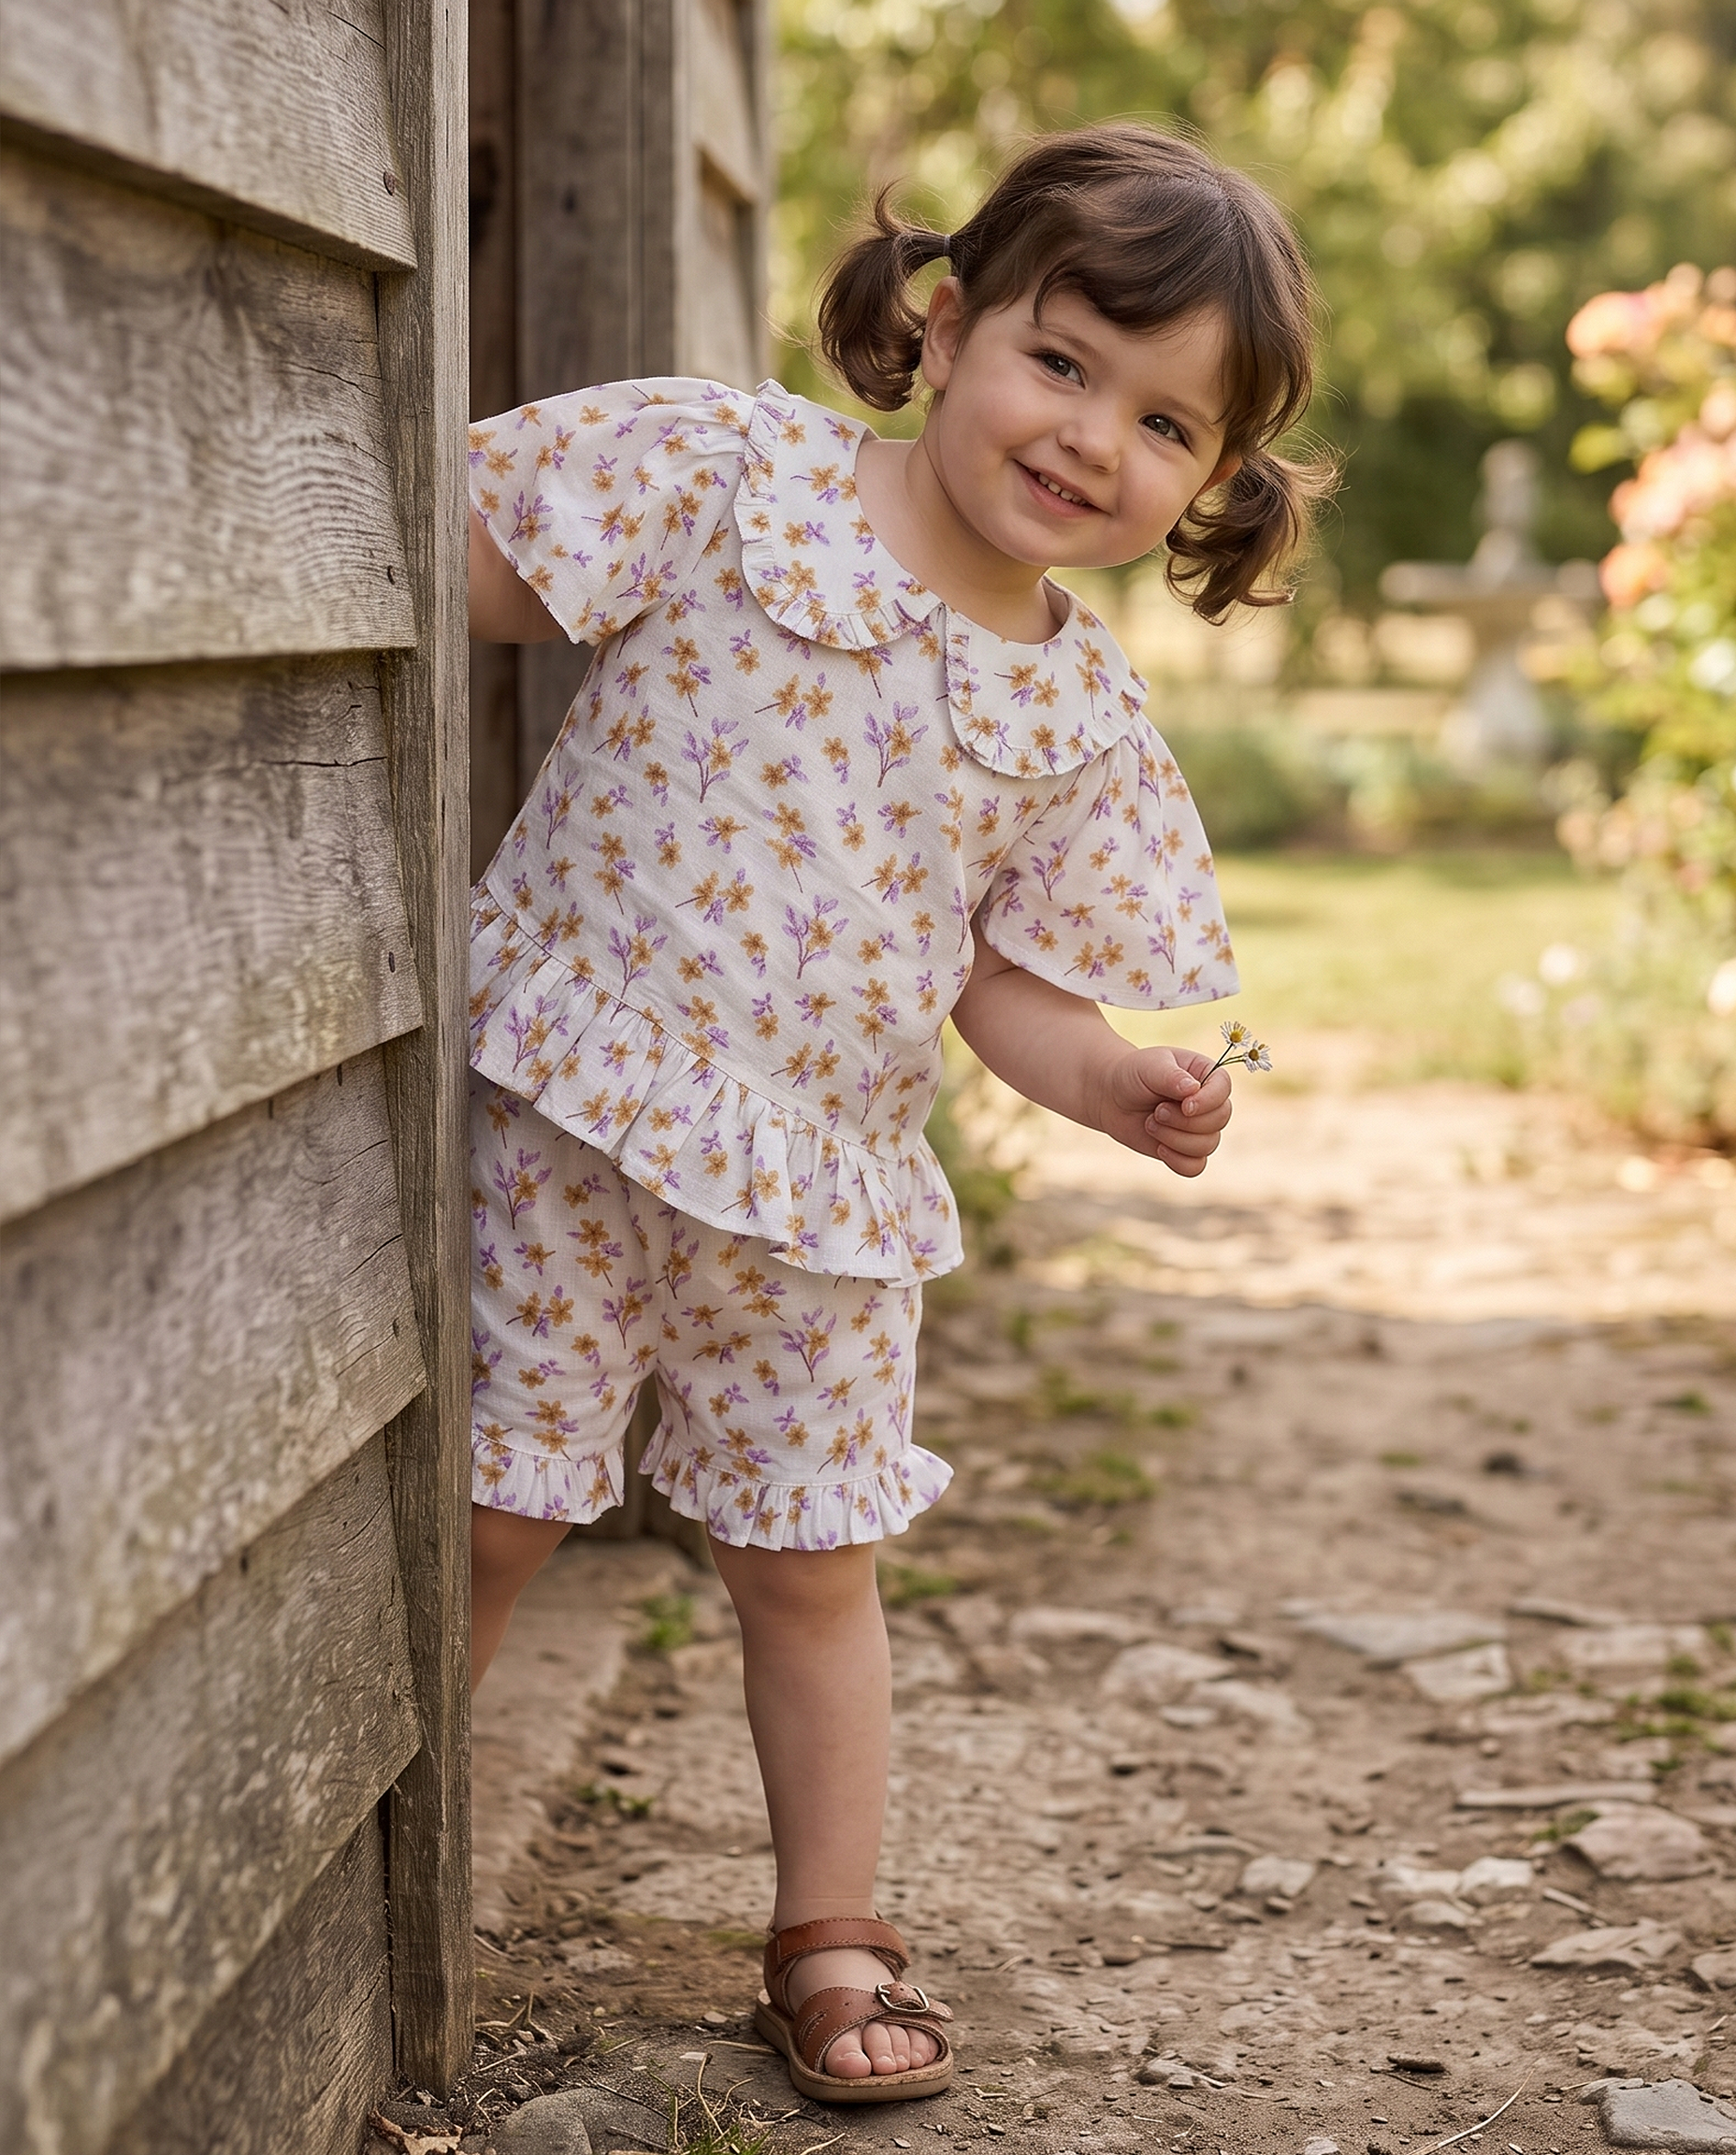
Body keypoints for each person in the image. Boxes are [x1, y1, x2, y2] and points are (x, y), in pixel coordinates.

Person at [465, 122, 1329, 2104]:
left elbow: (998, 981)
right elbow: (457, 565)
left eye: (1167, 425)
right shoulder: (732, 476)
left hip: (823, 1201)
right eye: (1064, 362)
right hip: (580, 1111)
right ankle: (380, 1823)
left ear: (1210, 482)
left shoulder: (1074, 715)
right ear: (942, 328)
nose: (1095, 437)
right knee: (508, 1499)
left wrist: (1109, 1080)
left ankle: (829, 1931)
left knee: (813, 1559)